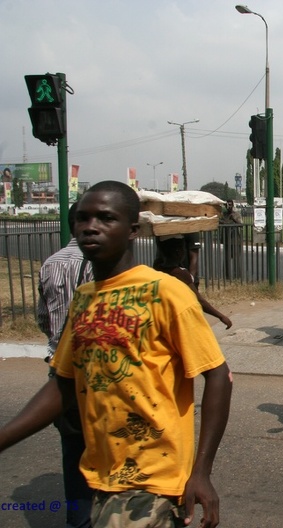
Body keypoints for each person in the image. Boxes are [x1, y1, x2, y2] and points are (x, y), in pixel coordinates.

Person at [0, 180, 233, 527]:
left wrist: (201, 472)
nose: (90, 227)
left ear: (132, 231)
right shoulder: (84, 299)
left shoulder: (165, 292)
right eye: (83, 218)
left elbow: (218, 376)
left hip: (151, 482)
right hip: (101, 477)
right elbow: (64, 384)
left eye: (106, 218)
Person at [36, 202, 94, 528]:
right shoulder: (94, 263)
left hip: (57, 365)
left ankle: (77, 519)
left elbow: (43, 317)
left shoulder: (50, 263)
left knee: (72, 452)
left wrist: (57, 341)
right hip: (89, 369)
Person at [153, 235, 233, 329]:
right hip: (177, 322)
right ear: (179, 252)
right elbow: (199, 300)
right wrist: (221, 316)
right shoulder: (180, 274)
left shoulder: (157, 268)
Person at [220, 199, 243, 279]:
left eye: (230, 205)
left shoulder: (236, 214)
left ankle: (237, 276)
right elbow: (220, 222)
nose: (229, 207)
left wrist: (234, 219)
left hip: (235, 240)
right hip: (227, 240)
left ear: (233, 205)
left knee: (236, 260)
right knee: (226, 260)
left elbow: (241, 224)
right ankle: (227, 277)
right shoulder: (224, 215)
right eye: (227, 205)